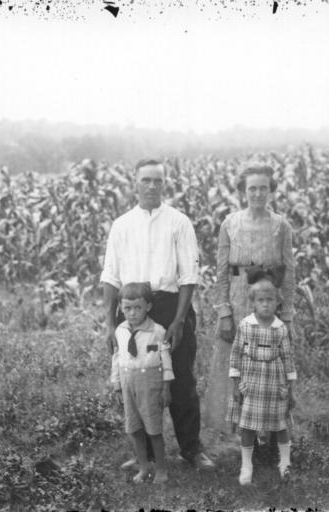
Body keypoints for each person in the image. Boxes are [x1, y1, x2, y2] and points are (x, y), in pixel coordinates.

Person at [101, 158, 215, 470]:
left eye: (158, 181)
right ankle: (146, 454)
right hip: (133, 309)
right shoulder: (122, 225)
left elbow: (188, 276)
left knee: (180, 379)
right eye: (146, 180)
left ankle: (191, 449)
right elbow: (111, 277)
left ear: (164, 184)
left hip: (170, 306)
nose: (152, 186)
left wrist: (179, 320)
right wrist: (110, 323)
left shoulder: (179, 222)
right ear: (135, 183)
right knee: (136, 380)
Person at [204, 164, 296, 449]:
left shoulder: (281, 226)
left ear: (271, 191)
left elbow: (289, 272)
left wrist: (287, 315)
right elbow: (221, 271)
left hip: (268, 301)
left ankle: (267, 432)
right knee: (237, 365)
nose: (257, 193)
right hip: (237, 298)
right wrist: (224, 312)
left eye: (263, 188)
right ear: (243, 191)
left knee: (267, 364)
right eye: (252, 188)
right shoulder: (229, 223)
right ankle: (238, 433)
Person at [227, 278, 297, 485]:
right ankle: (246, 465)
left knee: (281, 425)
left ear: (277, 302)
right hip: (251, 382)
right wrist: (235, 384)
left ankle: (285, 463)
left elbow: (288, 358)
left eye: (270, 300)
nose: (265, 304)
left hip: (275, 383)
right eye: (261, 300)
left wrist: (290, 389)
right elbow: (236, 354)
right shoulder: (245, 325)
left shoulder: (280, 328)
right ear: (253, 303)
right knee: (248, 426)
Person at [111, 282, 173, 484]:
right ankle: (144, 467)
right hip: (127, 382)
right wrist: (117, 385)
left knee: (153, 429)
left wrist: (166, 388)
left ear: (148, 306)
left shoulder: (157, 331)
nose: (133, 313)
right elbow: (117, 357)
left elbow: (166, 361)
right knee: (134, 428)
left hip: (150, 384)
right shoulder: (120, 331)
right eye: (127, 308)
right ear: (121, 308)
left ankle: (161, 469)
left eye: (138, 307)